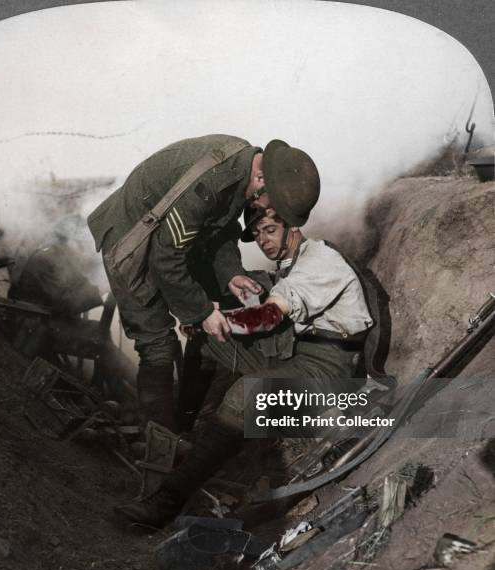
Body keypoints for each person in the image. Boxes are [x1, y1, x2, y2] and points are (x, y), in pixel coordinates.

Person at [116, 187, 376, 527]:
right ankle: (184, 433)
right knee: (204, 343)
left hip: (331, 367)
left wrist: (218, 320)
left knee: (245, 394)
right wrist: (211, 325)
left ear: (293, 227)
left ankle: (168, 501)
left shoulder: (320, 260)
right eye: (257, 234)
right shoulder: (294, 262)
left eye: (270, 230)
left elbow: (269, 316)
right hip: (300, 352)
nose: (263, 240)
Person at [86, 135, 320, 432]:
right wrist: (201, 312)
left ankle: (183, 422)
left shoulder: (243, 164)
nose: (263, 209)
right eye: (270, 203)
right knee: (157, 341)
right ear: (261, 178)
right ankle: (161, 446)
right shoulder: (212, 183)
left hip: (161, 235)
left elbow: (220, 228)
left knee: (213, 307)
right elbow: (166, 258)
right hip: (129, 238)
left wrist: (231, 273)